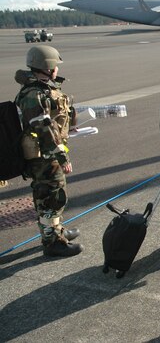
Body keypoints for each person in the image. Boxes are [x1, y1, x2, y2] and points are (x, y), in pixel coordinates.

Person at [15, 46, 83, 257]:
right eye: (54, 65)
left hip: (47, 154)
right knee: (51, 197)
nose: (56, 69)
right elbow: (43, 128)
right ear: (47, 67)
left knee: (50, 195)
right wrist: (62, 156)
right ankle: (53, 243)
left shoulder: (41, 89)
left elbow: (53, 120)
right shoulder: (33, 94)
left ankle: (55, 231)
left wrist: (69, 127)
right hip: (44, 157)